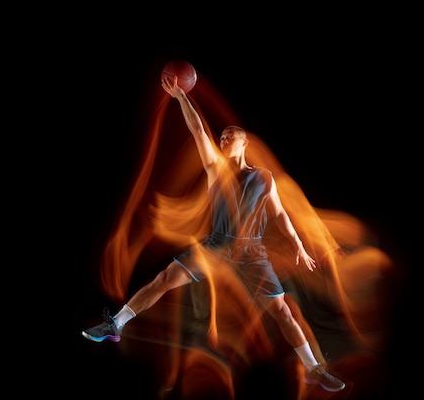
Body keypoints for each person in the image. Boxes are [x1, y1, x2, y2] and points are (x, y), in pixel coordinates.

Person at [82, 75, 346, 393]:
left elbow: (279, 215)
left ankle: (313, 368)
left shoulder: (264, 178)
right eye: (221, 136)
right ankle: (116, 324)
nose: (223, 139)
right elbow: (197, 129)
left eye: (230, 135)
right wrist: (181, 96)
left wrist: (299, 247)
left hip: (252, 253)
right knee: (164, 279)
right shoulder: (215, 168)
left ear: (244, 141)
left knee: (283, 312)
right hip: (217, 245)